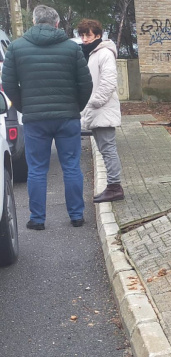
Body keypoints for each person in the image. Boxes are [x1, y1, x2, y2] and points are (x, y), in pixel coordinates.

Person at [1, 5, 92, 230]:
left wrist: (26, 106)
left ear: (34, 22)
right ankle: (76, 216)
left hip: (35, 119)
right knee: (71, 166)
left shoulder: (16, 47)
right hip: (67, 117)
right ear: (57, 23)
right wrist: (75, 107)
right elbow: (86, 84)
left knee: (37, 169)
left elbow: (9, 84)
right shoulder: (71, 49)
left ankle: (38, 219)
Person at [77, 18, 124, 203]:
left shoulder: (104, 53)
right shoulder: (91, 53)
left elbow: (108, 82)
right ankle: (113, 186)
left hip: (102, 109)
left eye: (88, 34)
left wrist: (93, 103)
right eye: (82, 35)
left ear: (97, 35)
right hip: (96, 110)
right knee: (105, 149)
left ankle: (115, 187)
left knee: (108, 149)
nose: (85, 38)